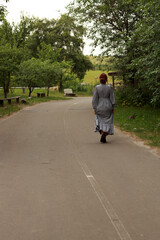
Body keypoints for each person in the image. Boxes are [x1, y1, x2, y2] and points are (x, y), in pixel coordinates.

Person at [92, 73, 115, 143]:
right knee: (108, 121)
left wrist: (95, 108)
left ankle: (102, 132)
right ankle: (105, 133)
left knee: (100, 120)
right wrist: (113, 106)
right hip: (108, 106)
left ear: (99, 79)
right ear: (106, 79)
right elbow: (112, 98)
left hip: (100, 106)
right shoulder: (109, 87)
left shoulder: (97, 87)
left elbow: (95, 99)